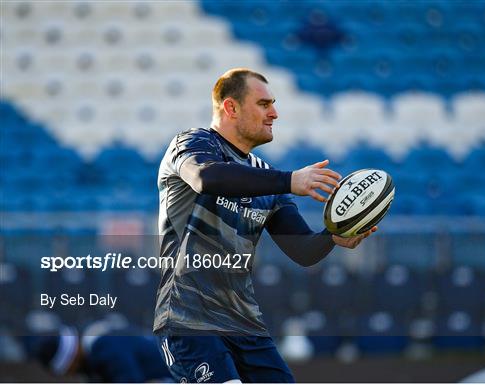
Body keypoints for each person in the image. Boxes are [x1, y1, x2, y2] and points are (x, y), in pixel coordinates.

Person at [153, 68, 377, 383]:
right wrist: (289, 180)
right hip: (190, 320)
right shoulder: (193, 143)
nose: (274, 113)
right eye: (263, 104)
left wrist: (334, 235)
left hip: (245, 325)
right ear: (230, 108)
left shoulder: (264, 175)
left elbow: (302, 249)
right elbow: (208, 178)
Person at [22, 314, 171, 383]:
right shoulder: (93, 351)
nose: (71, 373)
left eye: (69, 369)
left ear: (72, 357)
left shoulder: (104, 347)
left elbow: (130, 380)